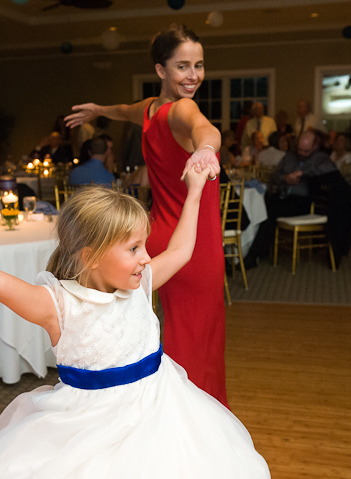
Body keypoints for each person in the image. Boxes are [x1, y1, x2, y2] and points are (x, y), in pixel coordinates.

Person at [0, 172, 271, 479]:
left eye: (144, 247)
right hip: (87, 427)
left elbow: (180, 249)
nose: (146, 258)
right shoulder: (58, 305)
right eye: (133, 248)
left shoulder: (140, 284)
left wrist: (195, 190)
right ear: (90, 256)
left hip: (164, 411)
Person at [65, 23, 226, 405]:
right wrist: (206, 148)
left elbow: (125, 110)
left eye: (199, 65)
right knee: (197, 336)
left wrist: (101, 110)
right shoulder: (181, 109)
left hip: (157, 238)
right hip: (194, 244)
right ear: (161, 71)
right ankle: (190, 420)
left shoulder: (153, 109)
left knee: (163, 328)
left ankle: (153, 409)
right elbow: (204, 127)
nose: (194, 76)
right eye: (182, 66)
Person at [244, 131, 337, 269]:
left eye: (306, 151)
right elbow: (274, 176)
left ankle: (254, 254)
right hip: (283, 195)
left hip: (301, 201)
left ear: (314, 147)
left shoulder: (321, 158)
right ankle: (246, 249)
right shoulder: (289, 156)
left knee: (271, 212)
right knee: (260, 206)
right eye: (300, 149)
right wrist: (285, 179)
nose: (302, 153)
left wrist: (302, 174)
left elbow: (329, 170)